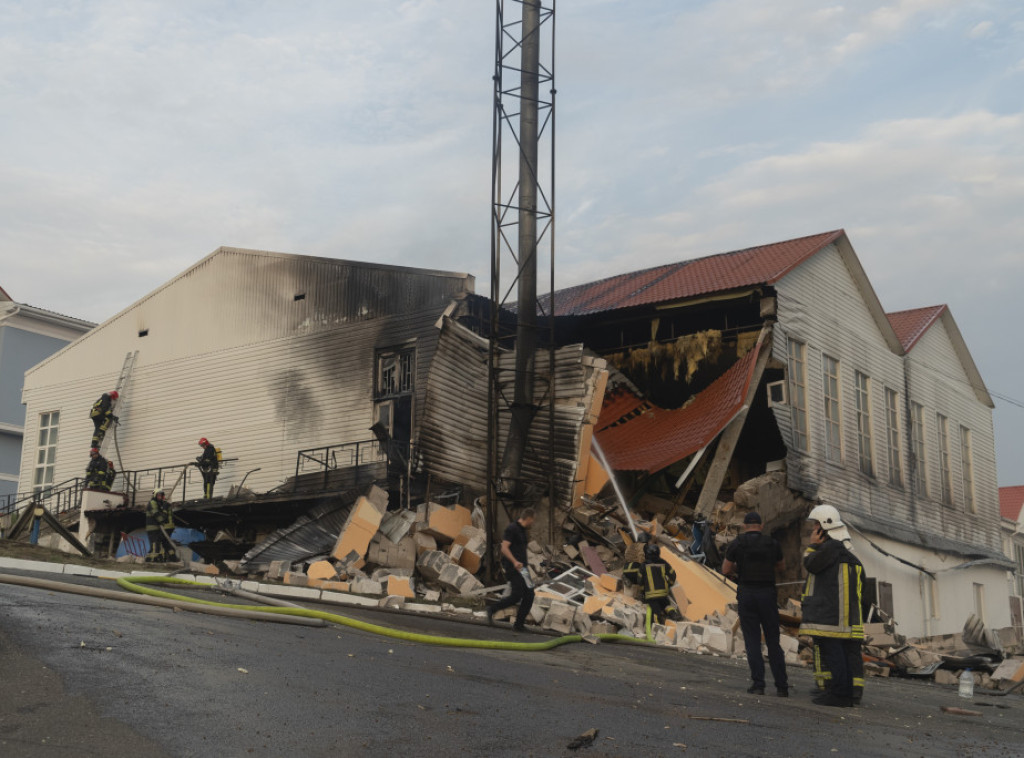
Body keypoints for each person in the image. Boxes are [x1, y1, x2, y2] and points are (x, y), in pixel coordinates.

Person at [799, 504, 865, 708]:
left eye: (815, 525)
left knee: (834, 654)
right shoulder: (846, 553)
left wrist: (812, 546)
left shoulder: (830, 548)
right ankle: (843, 693)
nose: (812, 530)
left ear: (824, 528)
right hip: (842, 616)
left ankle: (839, 695)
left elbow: (810, 564)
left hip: (831, 615)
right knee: (843, 655)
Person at [722, 511, 789, 697]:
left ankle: (758, 684)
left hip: (747, 594)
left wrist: (739, 567)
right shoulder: (772, 544)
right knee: (773, 641)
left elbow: (725, 569)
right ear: (761, 525)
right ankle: (782, 686)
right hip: (767, 594)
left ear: (744, 526)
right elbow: (782, 566)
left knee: (752, 641)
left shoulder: (737, 543)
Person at [486, 507, 536, 631]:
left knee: (530, 595)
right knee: (517, 595)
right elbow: (504, 548)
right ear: (528, 518)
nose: (533, 523)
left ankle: (519, 624)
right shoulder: (512, 529)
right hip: (513, 568)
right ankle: (492, 609)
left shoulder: (522, 531)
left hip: (523, 569)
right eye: (533, 520)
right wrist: (514, 562)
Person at [623, 542, 681, 636]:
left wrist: (643, 591)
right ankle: (673, 613)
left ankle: (658, 630)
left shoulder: (644, 565)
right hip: (663, 593)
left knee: (656, 612)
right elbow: (672, 575)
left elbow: (640, 580)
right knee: (666, 604)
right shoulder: (663, 563)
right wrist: (669, 584)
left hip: (651, 595)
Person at [145, 489, 177, 563]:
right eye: (159, 495)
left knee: (159, 544)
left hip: (157, 528)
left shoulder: (158, 503)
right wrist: (164, 515)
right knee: (154, 544)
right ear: (155, 495)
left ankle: (155, 559)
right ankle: (151, 560)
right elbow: (158, 516)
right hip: (152, 528)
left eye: (161, 495)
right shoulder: (152, 502)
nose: (160, 497)